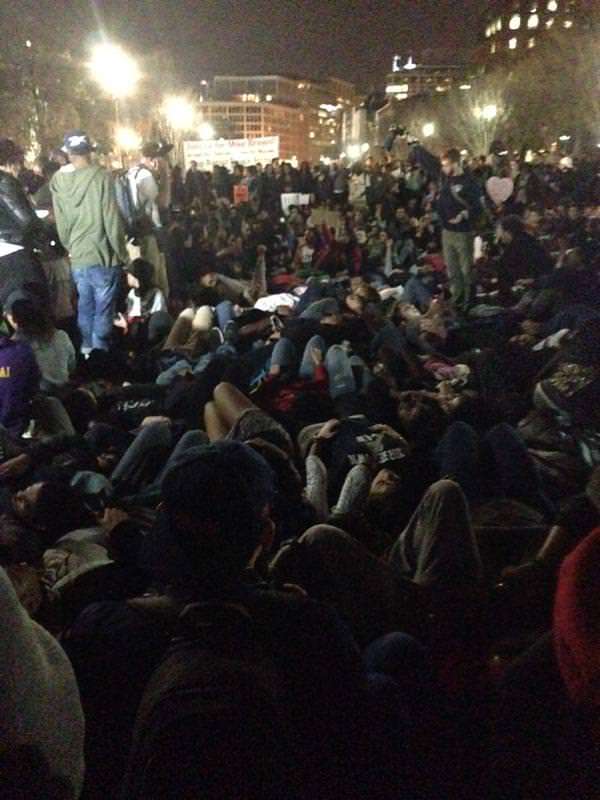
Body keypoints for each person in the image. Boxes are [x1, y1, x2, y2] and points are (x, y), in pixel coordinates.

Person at [50, 130, 128, 355]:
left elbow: (61, 224)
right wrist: (123, 256)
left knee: (85, 306)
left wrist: (70, 246)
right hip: (103, 255)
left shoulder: (58, 181)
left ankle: (85, 352)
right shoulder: (102, 177)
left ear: (69, 153)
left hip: (79, 257)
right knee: (103, 309)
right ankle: (100, 356)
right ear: (89, 152)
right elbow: (111, 221)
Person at [410, 142, 481, 313]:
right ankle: (457, 300)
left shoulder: (469, 182)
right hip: (447, 231)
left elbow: (477, 206)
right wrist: (414, 144)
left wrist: (464, 214)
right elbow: (428, 161)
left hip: (463, 232)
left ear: (456, 163)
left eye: (446, 165)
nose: (443, 168)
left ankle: (468, 301)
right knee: (452, 269)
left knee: (466, 269)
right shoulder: (444, 177)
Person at [0, 138, 48, 305]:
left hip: (3, 250)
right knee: (33, 301)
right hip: (16, 251)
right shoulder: (5, 181)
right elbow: (26, 221)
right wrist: (42, 225)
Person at [7, 295, 75, 393]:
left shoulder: (15, 345)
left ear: (14, 319)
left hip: (35, 397)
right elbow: (71, 365)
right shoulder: (61, 336)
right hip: (64, 392)